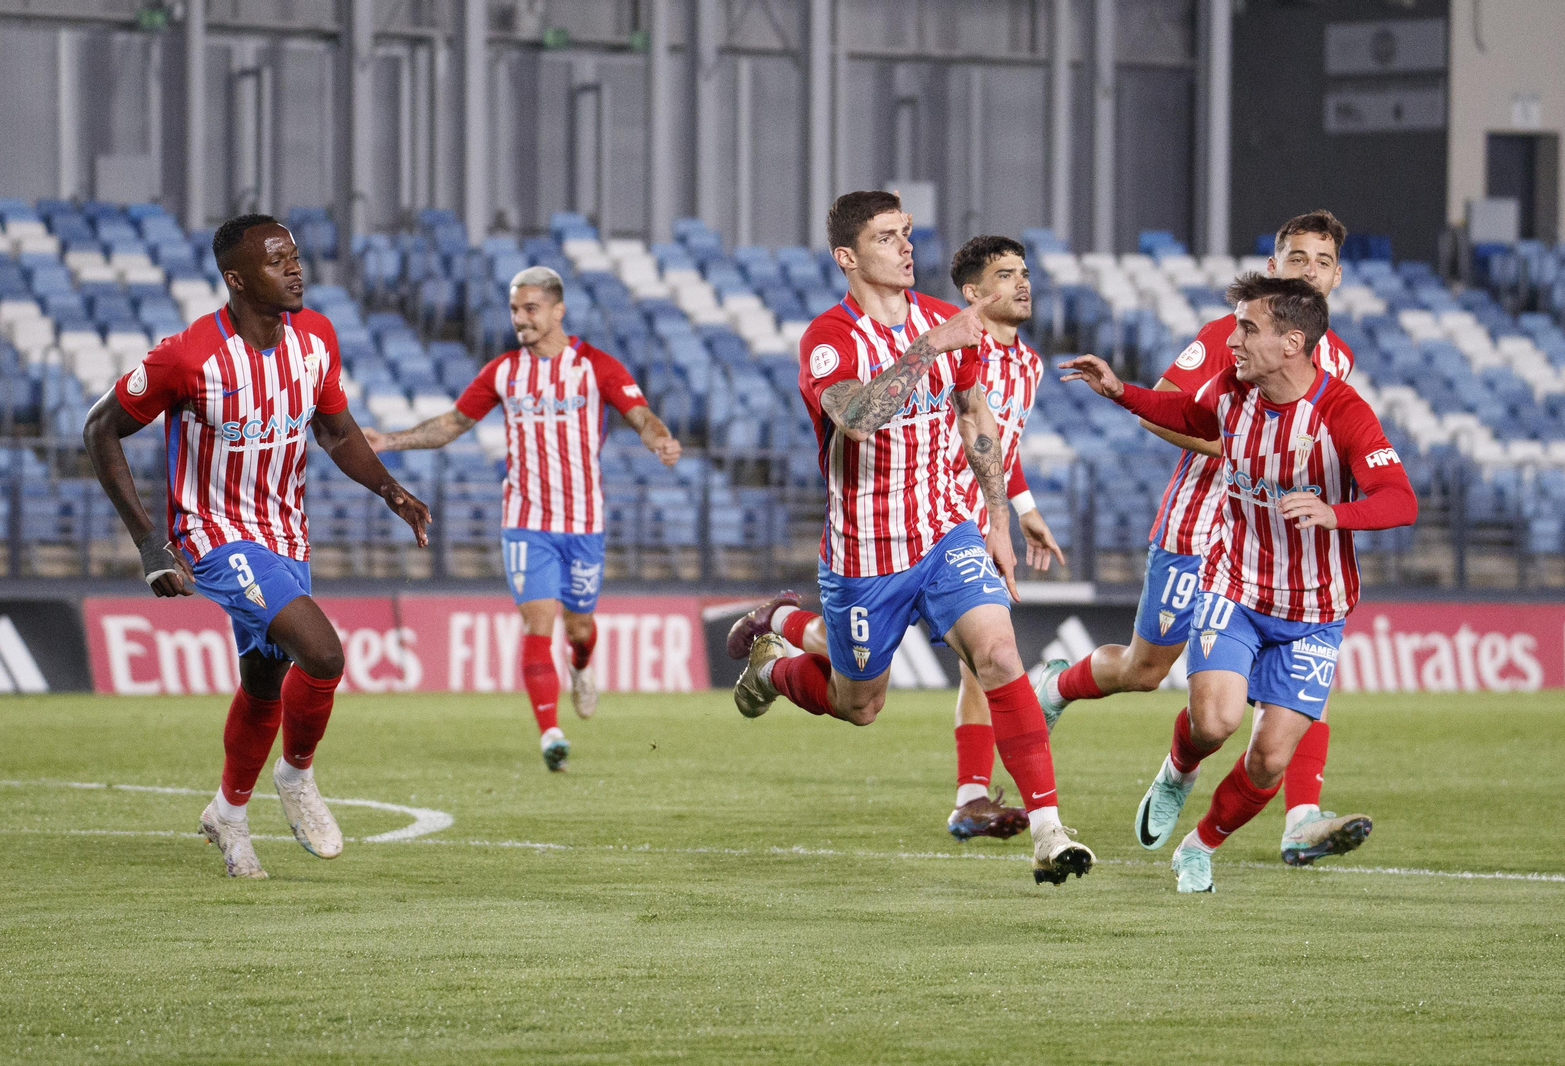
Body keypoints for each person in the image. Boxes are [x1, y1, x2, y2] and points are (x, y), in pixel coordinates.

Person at [729, 191, 1093, 884]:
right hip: (866, 556)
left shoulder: (940, 318)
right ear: (847, 257)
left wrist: (996, 515)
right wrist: (929, 348)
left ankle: (1048, 829)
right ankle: (775, 659)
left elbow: (974, 413)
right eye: (887, 237)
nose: (905, 247)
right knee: (859, 705)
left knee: (998, 653)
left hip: (944, 533)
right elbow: (858, 416)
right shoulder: (829, 340)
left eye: (908, 233)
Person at [83, 213, 431, 879]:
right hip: (212, 533)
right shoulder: (188, 356)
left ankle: (228, 815)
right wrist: (151, 543)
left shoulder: (317, 339)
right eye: (278, 261)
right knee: (323, 653)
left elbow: (334, 431)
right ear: (237, 279)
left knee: (265, 678)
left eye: (295, 255)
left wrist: (389, 490)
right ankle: (296, 775)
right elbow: (100, 430)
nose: (295, 268)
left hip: (285, 533)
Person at [1034, 208, 1371, 866]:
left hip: (1278, 551)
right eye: (1296, 259)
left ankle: (1301, 817)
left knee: (1297, 677)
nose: (1309, 271)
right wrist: (1233, 440)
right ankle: (1069, 695)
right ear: (1273, 268)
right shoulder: (1229, 333)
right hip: (1197, 531)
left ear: (1335, 278)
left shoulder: (1339, 359)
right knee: (1144, 669)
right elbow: (1162, 402)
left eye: (1322, 262)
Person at [364, 266, 680, 771]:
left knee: (579, 627)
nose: (520, 319)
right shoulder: (503, 372)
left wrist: (658, 437)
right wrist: (390, 440)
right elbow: (452, 424)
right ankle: (550, 733)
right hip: (525, 520)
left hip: (583, 523)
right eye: (514, 309)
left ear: (558, 310)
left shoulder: (596, 366)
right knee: (539, 621)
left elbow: (639, 414)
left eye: (530, 308)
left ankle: (581, 666)